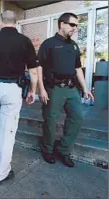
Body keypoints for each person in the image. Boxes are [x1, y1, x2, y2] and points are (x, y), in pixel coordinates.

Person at [0, 10, 38, 185]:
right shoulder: (25, 41)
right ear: (16, 21)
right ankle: (1, 172)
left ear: (1, 20)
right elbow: (33, 71)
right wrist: (33, 90)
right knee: (7, 131)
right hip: (13, 89)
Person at [37, 12, 94, 168]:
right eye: (72, 24)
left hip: (71, 89)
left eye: (76, 25)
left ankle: (63, 149)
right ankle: (47, 149)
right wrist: (41, 89)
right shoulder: (48, 44)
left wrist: (85, 88)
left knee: (77, 117)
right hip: (53, 88)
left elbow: (78, 68)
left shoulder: (74, 46)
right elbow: (39, 67)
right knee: (50, 119)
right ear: (62, 24)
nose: (75, 28)